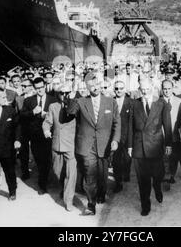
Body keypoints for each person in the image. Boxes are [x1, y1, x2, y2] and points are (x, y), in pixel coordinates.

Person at [66, 72, 120, 216]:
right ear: (87, 87)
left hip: (105, 144)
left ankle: (101, 194)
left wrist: (115, 140)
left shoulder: (111, 102)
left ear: (100, 84)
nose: (95, 88)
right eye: (91, 86)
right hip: (87, 145)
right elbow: (69, 114)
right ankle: (91, 204)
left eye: (97, 85)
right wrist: (71, 98)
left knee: (102, 174)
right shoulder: (81, 101)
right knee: (89, 174)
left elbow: (117, 123)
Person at [128, 78, 172, 216]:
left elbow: (167, 125)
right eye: (143, 89)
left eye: (147, 89)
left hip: (156, 145)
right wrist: (130, 146)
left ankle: (157, 187)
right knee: (142, 179)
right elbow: (130, 127)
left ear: (152, 88)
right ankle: (145, 205)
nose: (145, 91)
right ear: (139, 89)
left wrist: (169, 144)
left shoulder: (161, 103)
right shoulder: (134, 104)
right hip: (139, 146)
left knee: (158, 174)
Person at [42, 84, 77, 211]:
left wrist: (72, 100)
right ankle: (64, 189)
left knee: (71, 174)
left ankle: (69, 200)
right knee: (57, 172)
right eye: (62, 93)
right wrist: (46, 130)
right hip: (56, 143)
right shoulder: (53, 106)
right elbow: (47, 122)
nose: (64, 95)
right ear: (58, 94)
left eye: (67, 92)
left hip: (71, 144)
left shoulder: (75, 105)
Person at [20, 77, 56, 193]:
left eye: (41, 87)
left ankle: (42, 183)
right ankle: (43, 176)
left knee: (46, 159)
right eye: (37, 88)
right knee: (38, 158)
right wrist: (33, 112)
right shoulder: (29, 100)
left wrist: (48, 115)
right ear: (34, 88)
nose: (39, 90)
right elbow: (22, 115)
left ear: (45, 85)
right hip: (34, 135)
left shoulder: (53, 99)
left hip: (48, 134)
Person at [111, 80, 132, 193]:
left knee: (127, 159)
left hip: (127, 135)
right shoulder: (111, 102)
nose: (119, 91)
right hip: (115, 136)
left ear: (125, 89)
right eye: (117, 88)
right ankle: (118, 182)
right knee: (116, 161)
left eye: (121, 88)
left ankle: (127, 172)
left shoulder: (130, 102)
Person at [161, 80, 181, 184]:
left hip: (175, 133)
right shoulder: (158, 102)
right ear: (161, 89)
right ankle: (165, 174)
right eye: (164, 89)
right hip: (162, 134)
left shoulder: (180, 102)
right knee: (164, 156)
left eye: (169, 89)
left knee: (174, 156)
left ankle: (172, 174)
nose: (167, 91)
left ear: (173, 89)